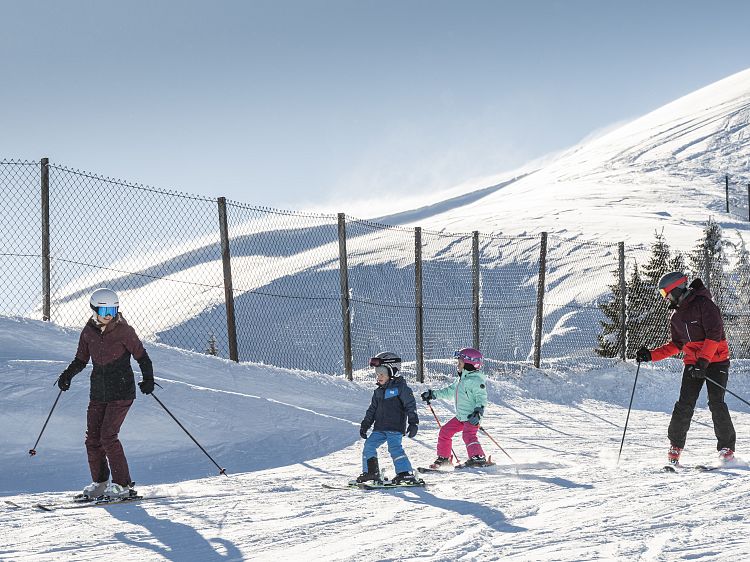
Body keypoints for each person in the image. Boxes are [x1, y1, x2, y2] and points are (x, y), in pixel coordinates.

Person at [56, 287, 155, 499]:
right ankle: (100, 482)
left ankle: (123, 485)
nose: (109, 315)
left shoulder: (124, 331)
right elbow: (81, 360)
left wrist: (148, 379)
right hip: (98, 392)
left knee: (108, 436)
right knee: (92, 439)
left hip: (121, 392)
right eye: (104, 311)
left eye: (112, 309)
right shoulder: (88, 332)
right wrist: (67, 375)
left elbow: (142, 356)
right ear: (94, 311)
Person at [636, 271, 736, 467]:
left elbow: (714, 335)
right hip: (694, 362)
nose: (666, 298)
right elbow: (676, 344)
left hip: (716, 360)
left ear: (678, 289)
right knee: (684, 403)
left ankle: (726, 448)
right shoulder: (676, 316)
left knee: (716, 402)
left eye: (667, 294)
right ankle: (675, 445)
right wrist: (651, 355)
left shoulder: (705, 305)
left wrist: (703, 362)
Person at [357, 352, 422, 485]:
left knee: (394, 448)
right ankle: (371, 472)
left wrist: (413, 423)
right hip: (379, 428)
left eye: (382, 374)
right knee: (369, 445)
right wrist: (365, 424)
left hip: (394, 427)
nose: (378, 377)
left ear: (393, 372)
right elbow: (372, 410)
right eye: (377, 374)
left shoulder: (401, 389)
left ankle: (405, 473)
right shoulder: (378, 391)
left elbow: (410, 406)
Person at [421, 347, 489, 468]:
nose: (457, 365)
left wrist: (478, 412)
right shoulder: (460, 380)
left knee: (468, 435)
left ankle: (478, 457)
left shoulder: (476, 381)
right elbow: (449, 392)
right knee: (445, 432)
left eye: (460, 363)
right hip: (461, 416)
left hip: (472, 417)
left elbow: (481, 398)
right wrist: (433, 394)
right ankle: (444, 458)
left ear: (469, 364)